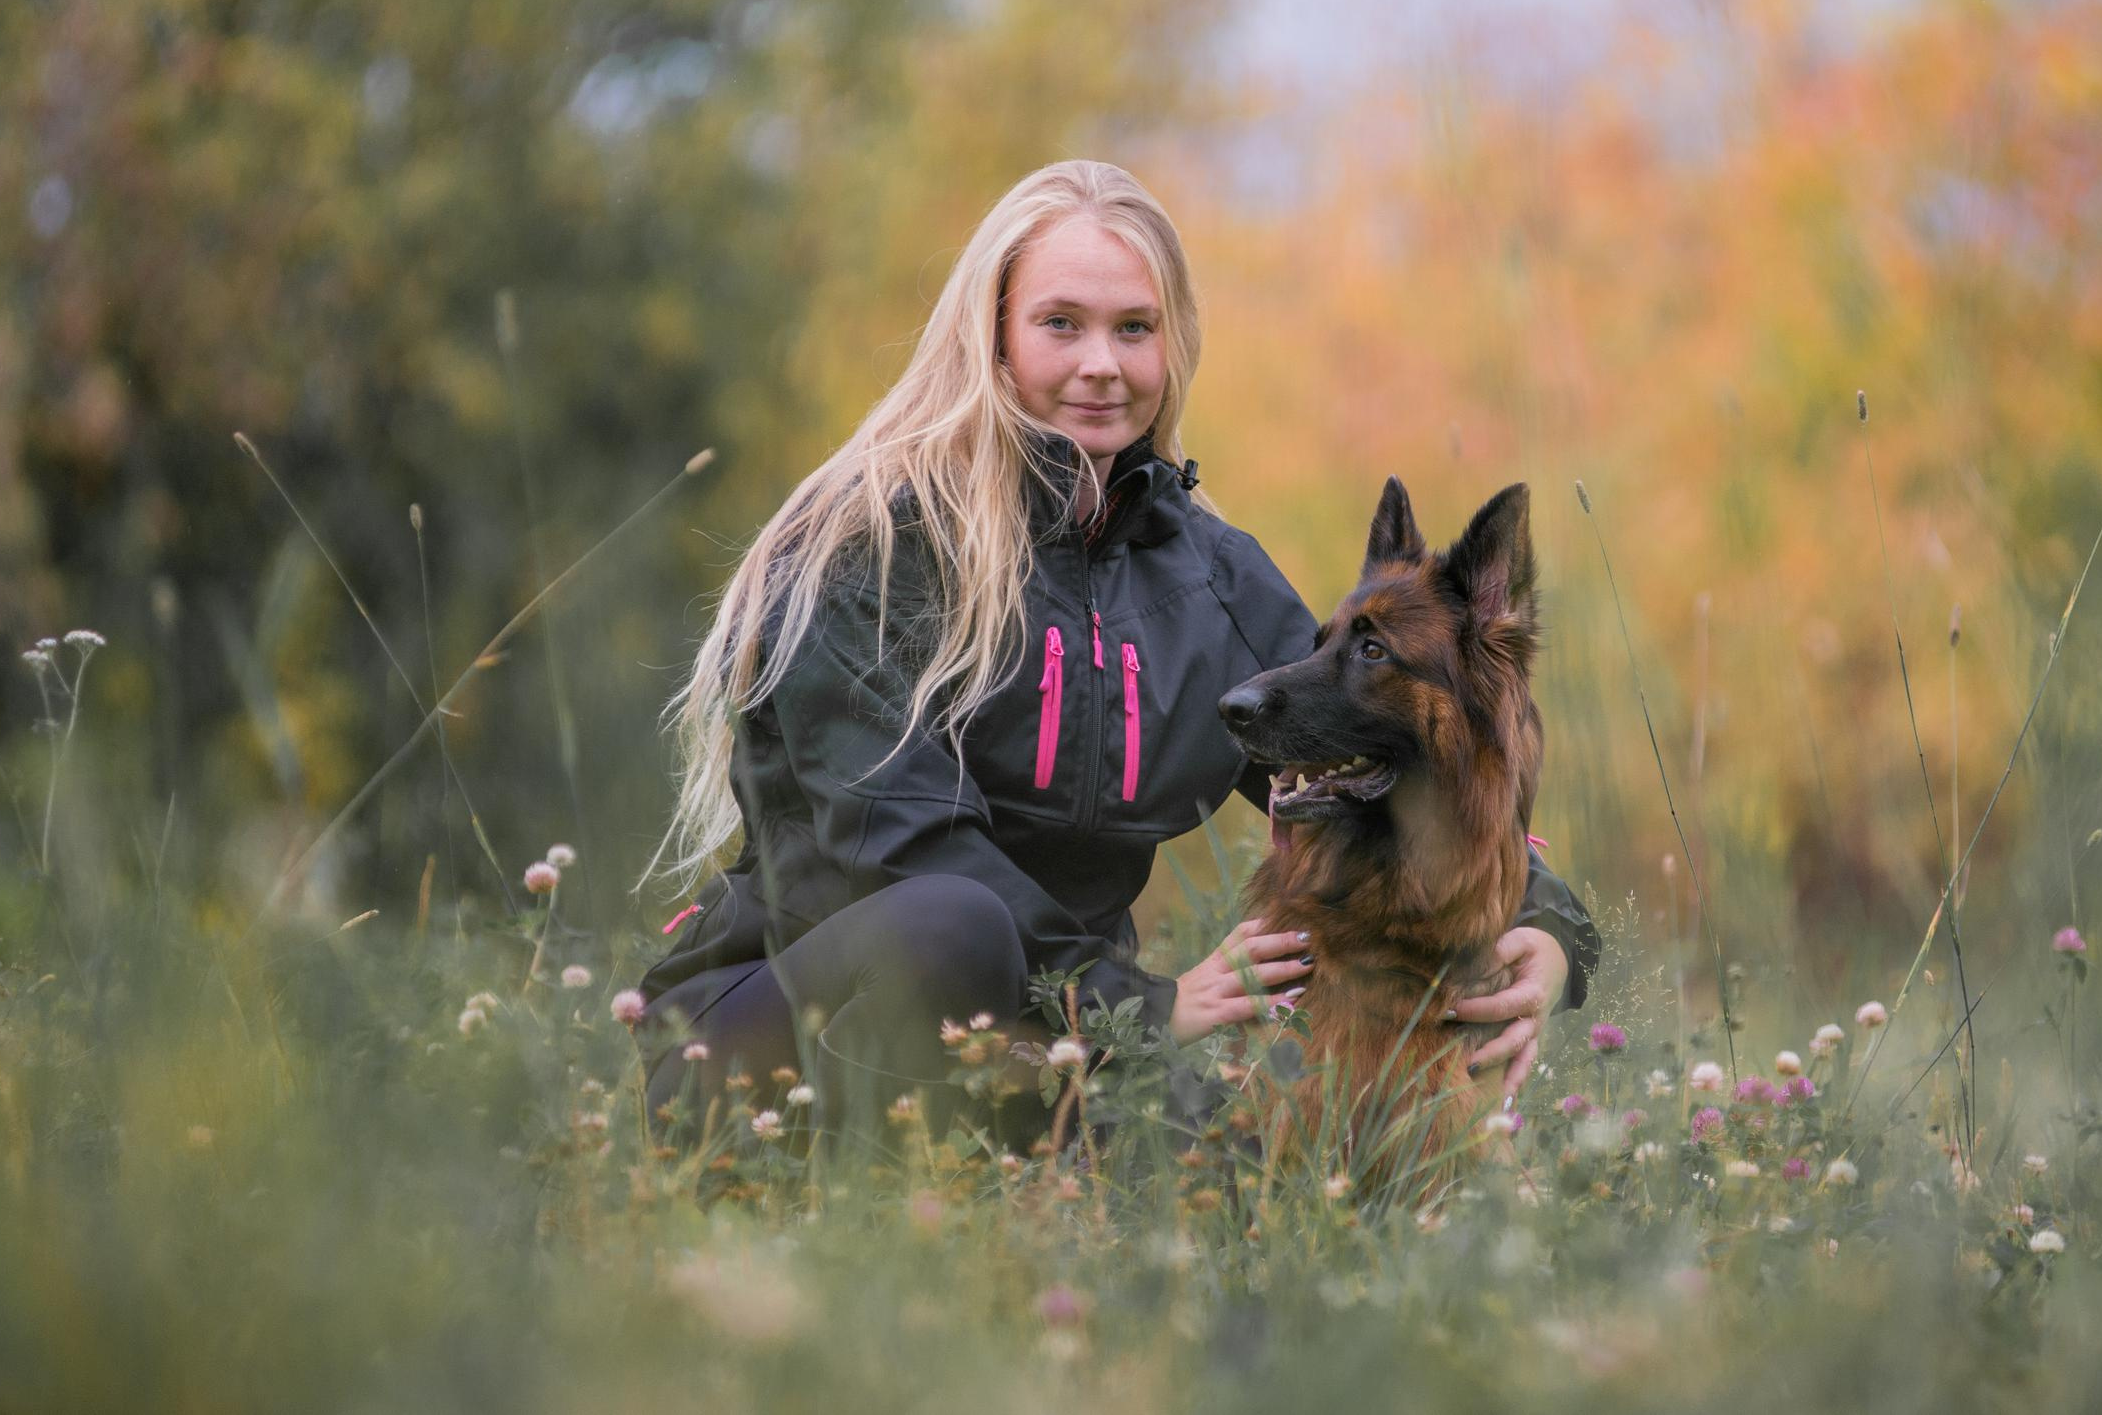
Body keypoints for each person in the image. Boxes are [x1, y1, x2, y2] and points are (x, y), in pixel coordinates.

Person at [630, 159, 1599, 1149]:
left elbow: (1381, 747)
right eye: (1062, 323)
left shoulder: (1212, 576)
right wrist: (1141, 1004)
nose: (1103, 362)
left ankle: (1029, 1169)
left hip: (1059, 1050)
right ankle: (839, 1198)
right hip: (769, 1040)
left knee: (1257, 1169)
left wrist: (1546, 932)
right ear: (992, 336)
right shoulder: (867, 547)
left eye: (1134, 327)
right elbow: (895, 848)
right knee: (953, 923)